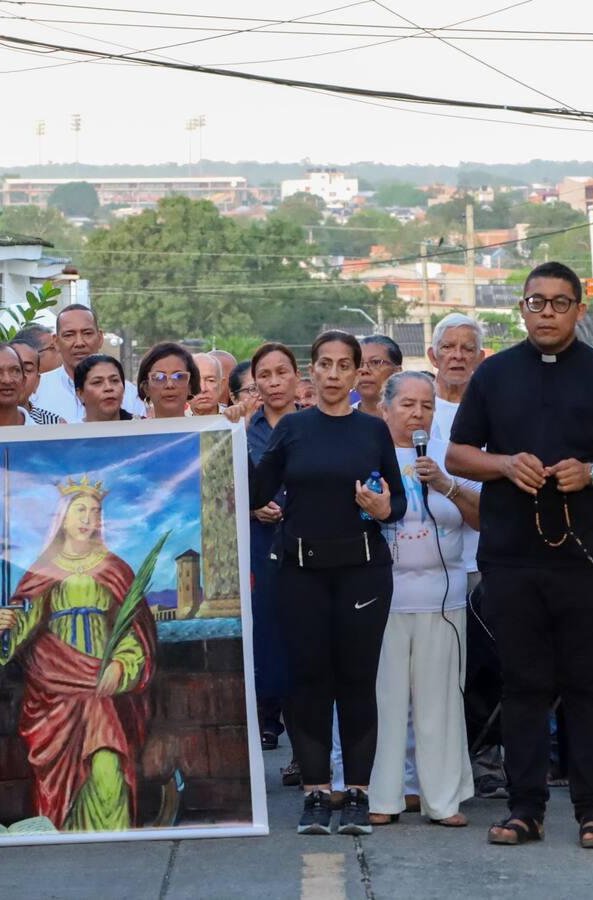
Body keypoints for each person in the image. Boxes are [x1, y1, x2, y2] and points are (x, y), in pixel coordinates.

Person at [446, 261, 593, 850]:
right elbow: (459, 455)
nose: (546, 313)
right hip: (511, 554)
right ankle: (526, 809)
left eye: (559, 303)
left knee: (586, 682)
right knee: (523, 684)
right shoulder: (494, 374)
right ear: (522, 309)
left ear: (579, 310)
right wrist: (503, 463)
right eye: (536, 302)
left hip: (586, 555)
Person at [249, 330, 405, 837]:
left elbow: (398, 503)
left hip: (363, 572)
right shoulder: (293, 428)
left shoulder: (373, 430)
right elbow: (254, 491)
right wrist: (231, 434)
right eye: (324, 364)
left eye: (344, 365)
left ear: (358, 372)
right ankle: (315, 792)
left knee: (357, 683)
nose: (334, 374)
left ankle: (357, 793)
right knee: (308, 683)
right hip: (300, 573)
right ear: (311, 371)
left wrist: (383, 507)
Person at [0, 478, 156, 831]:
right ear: (63, 517)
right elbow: (22, 628)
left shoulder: (115, 569)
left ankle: (112, 839)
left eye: (95, 512)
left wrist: (121, 666)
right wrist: (6, 626)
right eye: (80, 510)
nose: (88, 519)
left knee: (108, 769)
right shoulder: (42, 570)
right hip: (56, 687)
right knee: (60, 781)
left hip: (100, 685)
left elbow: (132, 628)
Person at [370, 371, 479, 827]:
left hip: (443, 598)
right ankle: (384, 797)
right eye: (408, 404)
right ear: (385, 409)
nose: (418, 414)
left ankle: (442, 800)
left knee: (441, 702)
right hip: (383, 599)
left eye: (427, 406)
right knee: (386, 701)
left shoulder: (447, 457)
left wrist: (446, 484)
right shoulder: (368, 454)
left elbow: (481, 519)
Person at [425, 313, 500, 799]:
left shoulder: (496, 410)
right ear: (433, 355)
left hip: (480, 561)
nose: (456, 356)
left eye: (466, 348)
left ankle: (485, 760)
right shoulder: (417, 406)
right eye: (448, 348)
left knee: (483, 668)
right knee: (432, 672)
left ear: (480, 357)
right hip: (421, 564)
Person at [246, 343, 299, 751]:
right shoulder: (243, 430)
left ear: (298, 377)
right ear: (255, 383)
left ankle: (305, 745)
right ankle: (267, 720)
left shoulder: (314, 424)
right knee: (264, 633)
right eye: (265, 375)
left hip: (306, 542)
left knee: (302, 637)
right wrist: (252, 508)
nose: (275, 382)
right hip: (259, 544)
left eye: (282, 372)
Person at [31, 305, 141, 421]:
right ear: (56, 342)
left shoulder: (130, 395)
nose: (79, 343)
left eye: (87, 333)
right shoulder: (36, 391)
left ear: (100, 338)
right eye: (69, 335)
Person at [138, 343, 199, 420]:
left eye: (179, 376)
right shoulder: (134, 427)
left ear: (190, 385)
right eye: (159, 377)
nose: (170, 385)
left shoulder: (204, 427)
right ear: (146, 388)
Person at [10, 337, 64, 424]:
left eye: (27, 369)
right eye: (13, 370)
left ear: (37, 381)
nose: (20, 377)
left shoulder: (55, 424)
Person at [74, 355, 134, 423]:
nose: (108, 388)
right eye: (97, 382)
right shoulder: (71, 429)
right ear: (80, 393)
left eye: (115, 380)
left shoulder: (140, 426)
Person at [353, 335, 402, 419]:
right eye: (359, 364)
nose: (364, 370)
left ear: (397, 371)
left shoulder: (413, 417)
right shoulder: (339, 419)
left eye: (375, 362)